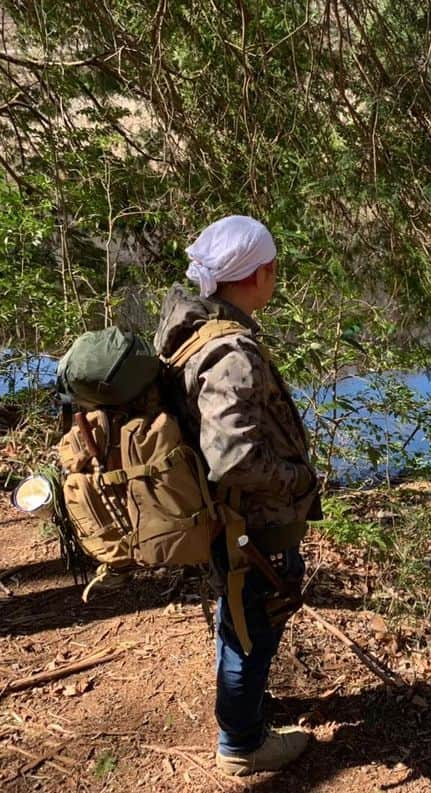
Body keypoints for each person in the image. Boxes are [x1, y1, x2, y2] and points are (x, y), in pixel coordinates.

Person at [153, 215, 321, 776]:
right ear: (259, 274)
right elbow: (234, 456)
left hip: (228, 517)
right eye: (273, 270)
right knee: (255, 621)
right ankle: (242, 744)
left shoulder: (191, 327)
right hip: (252, 520)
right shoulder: (232, 351)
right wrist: (295, 480)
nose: (276, 279)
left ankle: (243, 711)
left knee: (243, 612)